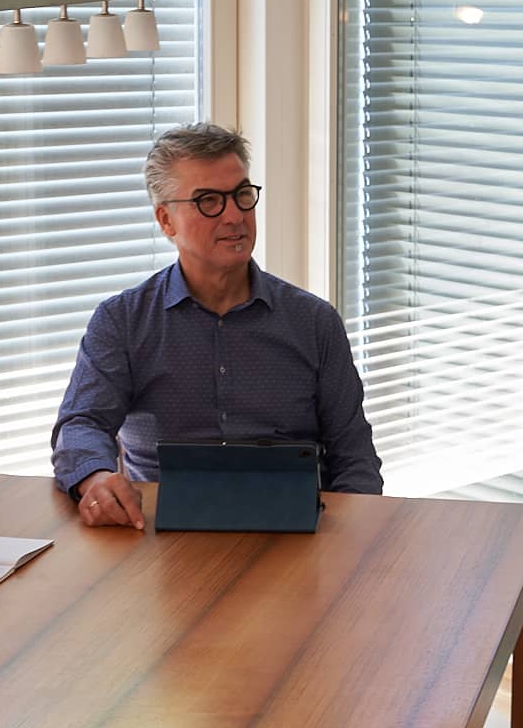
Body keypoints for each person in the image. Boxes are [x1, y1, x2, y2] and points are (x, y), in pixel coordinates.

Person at [52, 123, 383, 527]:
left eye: (242, 195)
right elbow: (81, 424)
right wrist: (97, 479)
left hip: (296, 530)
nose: (235, 216)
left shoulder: (313, 322)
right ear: (166, 220)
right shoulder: (122, 321)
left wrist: (351, 535)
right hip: (158, 533)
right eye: (208, 201)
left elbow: (354, 455)